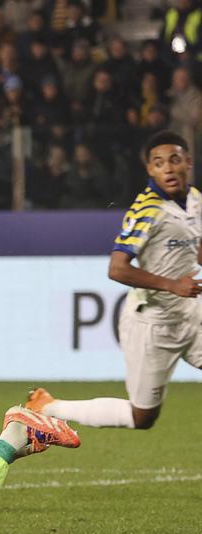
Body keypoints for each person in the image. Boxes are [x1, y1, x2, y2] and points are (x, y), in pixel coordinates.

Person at [28, 130, 202, 430]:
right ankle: (48, 406)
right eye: (159, 163)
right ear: (150, 170)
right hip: (152, 324)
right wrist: (172, 285)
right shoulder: (147, 210)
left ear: (188, 161)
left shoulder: (196, 199)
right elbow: (117, 268)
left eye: (175, 160)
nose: (169, 168)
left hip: (191, 313)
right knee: (142, 417)